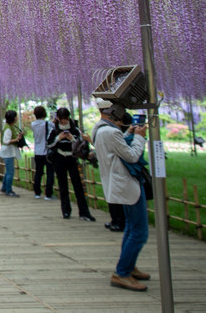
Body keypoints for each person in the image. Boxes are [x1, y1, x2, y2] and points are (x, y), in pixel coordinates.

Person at [92, 99, 150, 292]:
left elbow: (116, 149)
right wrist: (140, 137)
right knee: (139, 231)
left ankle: (129, 265)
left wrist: (128, 134)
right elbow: (131, 156)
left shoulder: (100, 130)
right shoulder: (111, 132)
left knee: (131, 227)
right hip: (126, 184)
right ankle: (122, 273)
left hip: (118, 184)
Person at [46, 107, 95, 221]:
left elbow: (81, 145)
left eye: (65, 119)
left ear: (68, 118)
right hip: (59, 158)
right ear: (58, 119)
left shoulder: (75, 129)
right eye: (61, 119)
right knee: (63, 186)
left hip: (72, 158)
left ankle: (84, 212)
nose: (63, 121)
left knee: (78, 186)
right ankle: (66, 211)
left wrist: (72, 138)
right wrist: (58, 138)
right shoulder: (54, 130)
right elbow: (49, 144)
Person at [30, 105, 55, 200]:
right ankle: (48, 194)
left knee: (38, 173)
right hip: (47, 152)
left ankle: (37, 193)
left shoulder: (33, 125)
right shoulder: (48, 124)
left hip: (37, 152)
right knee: (50, 173)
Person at [0, 109, 23, 197]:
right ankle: (8, 190)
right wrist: (16, 139)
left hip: (8, 152)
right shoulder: (8, 128)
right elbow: (6, 140)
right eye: (16, 117)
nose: (17, 118)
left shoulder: (9, 126)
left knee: (8, 171)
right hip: (8, 152)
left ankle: (4, 187)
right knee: (10, 172)